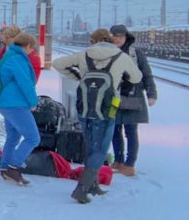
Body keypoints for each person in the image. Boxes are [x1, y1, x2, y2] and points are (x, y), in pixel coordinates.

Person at [53, 28, 142, 204]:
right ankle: (82, 188)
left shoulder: (84, 54)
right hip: (107, 109)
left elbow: (58, 64)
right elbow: (136, 78)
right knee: (100, 149)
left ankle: (92, 185)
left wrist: (78, 76)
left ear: (93, 41)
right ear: (110, 40)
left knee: (90, 146)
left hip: (85, 107)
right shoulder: (121, 57)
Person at [109, 24, 157, 176]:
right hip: (113, 97)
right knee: (114, 130)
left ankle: (130, 164)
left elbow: (147, 73)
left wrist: (152, 93)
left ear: (126, 37)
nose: (117, 39)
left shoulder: (136, 53)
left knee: (130, 131)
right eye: (115, 36)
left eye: (120, 36)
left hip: (132, 96)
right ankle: (118, 160)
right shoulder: (108, 52)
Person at [0, 33, 40, 185]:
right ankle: (13, 167)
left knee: (13, 137)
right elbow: (25, 83)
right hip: (15, 104)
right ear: (27, 46)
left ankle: (4, 168)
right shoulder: (18, 59)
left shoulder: (10, 55)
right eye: (32, 48)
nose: (32, 51)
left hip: (6, 102)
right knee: (33, 137)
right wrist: (33, 102)